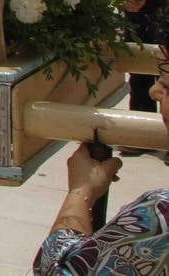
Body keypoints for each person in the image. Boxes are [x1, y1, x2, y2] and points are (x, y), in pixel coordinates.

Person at [34, 78, 169, 274]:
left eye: (167, 84)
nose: (154, 91)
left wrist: (81, 192)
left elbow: (56, 269)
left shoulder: (160, 216)